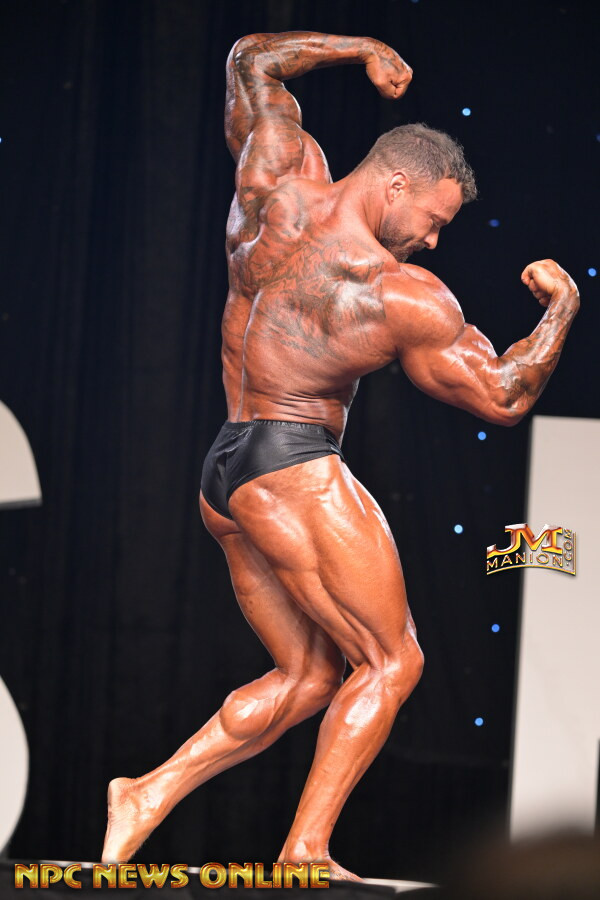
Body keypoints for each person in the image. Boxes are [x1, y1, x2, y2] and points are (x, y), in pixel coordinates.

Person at [102, 32, 580, 880]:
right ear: (397, 185)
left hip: (225, 471)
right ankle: (305, 850)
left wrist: (361, 50)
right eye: (434, 221)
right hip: (292, 465)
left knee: (310, 673)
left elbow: (251, 61)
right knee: (394, 659)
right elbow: (504, 395)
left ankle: (145, 792)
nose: (433, 242)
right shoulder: (398, 292)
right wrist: (563, 307)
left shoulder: (273, 179)